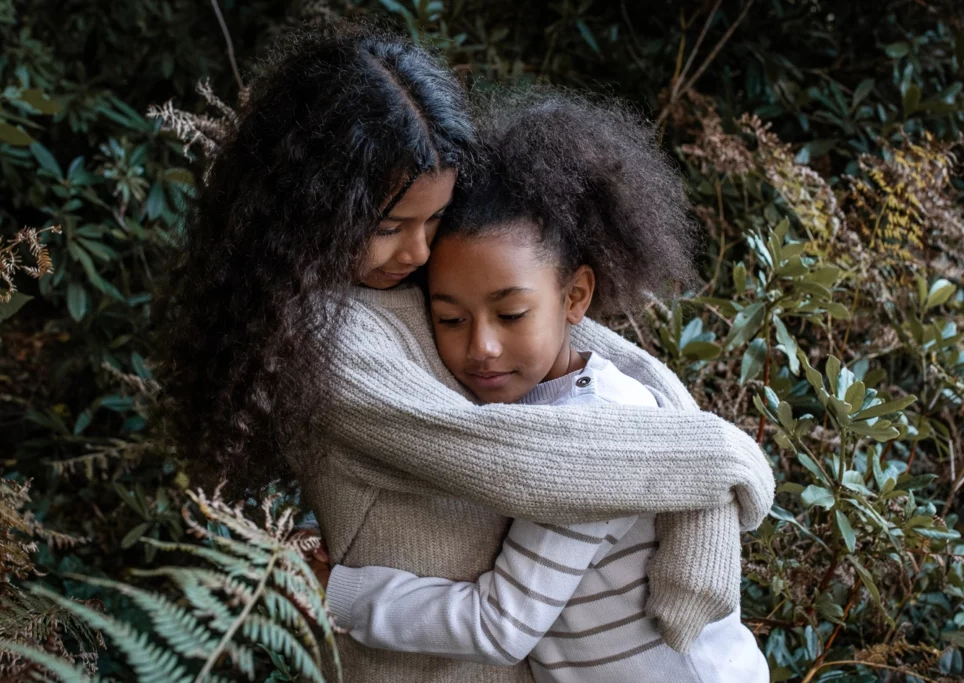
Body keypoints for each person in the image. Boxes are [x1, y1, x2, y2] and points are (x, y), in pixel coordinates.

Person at [154, 24, 774, 683]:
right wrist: (718, 457)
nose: (418, 252)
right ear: (316, 206)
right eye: (392, 226)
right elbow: (507, 454)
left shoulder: (396, 276)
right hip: (414, 663)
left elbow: (576, 336)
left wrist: (698, 465)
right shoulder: (325, 339)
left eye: (434, 220)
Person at [322, 94, 769, 682]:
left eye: (510, 316)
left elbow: (500, 625)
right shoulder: (551, 398)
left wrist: (335, 591)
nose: (480, 347)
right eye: (450, 320)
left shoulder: (587, 440)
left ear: (576, 297)